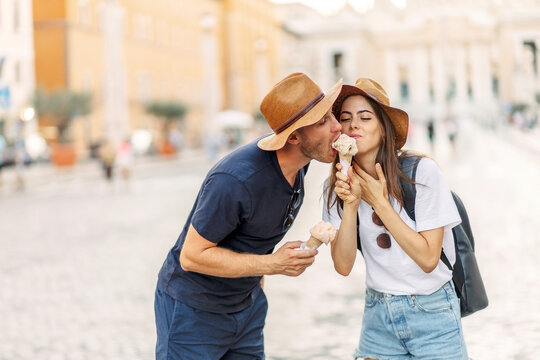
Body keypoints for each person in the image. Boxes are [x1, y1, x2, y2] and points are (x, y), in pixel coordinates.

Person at [155, 72, 343, 359]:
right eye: (322, 122)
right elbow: (191, 256)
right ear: (293, 137)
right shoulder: (235, 180)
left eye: (331, 116)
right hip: (194, 312)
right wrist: (272, 263)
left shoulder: (300, 162)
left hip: (247, 307)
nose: (337, 127)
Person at [323, 78, 468, 360]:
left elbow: (428, 259)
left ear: (384, 129)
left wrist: (379, 201)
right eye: (345, 118)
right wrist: (351, 203)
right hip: (378, 316)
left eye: (365, 117)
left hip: (433, 313)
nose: (354, 125)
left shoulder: (421, 173)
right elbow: (342, 265)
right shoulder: (337, 186)